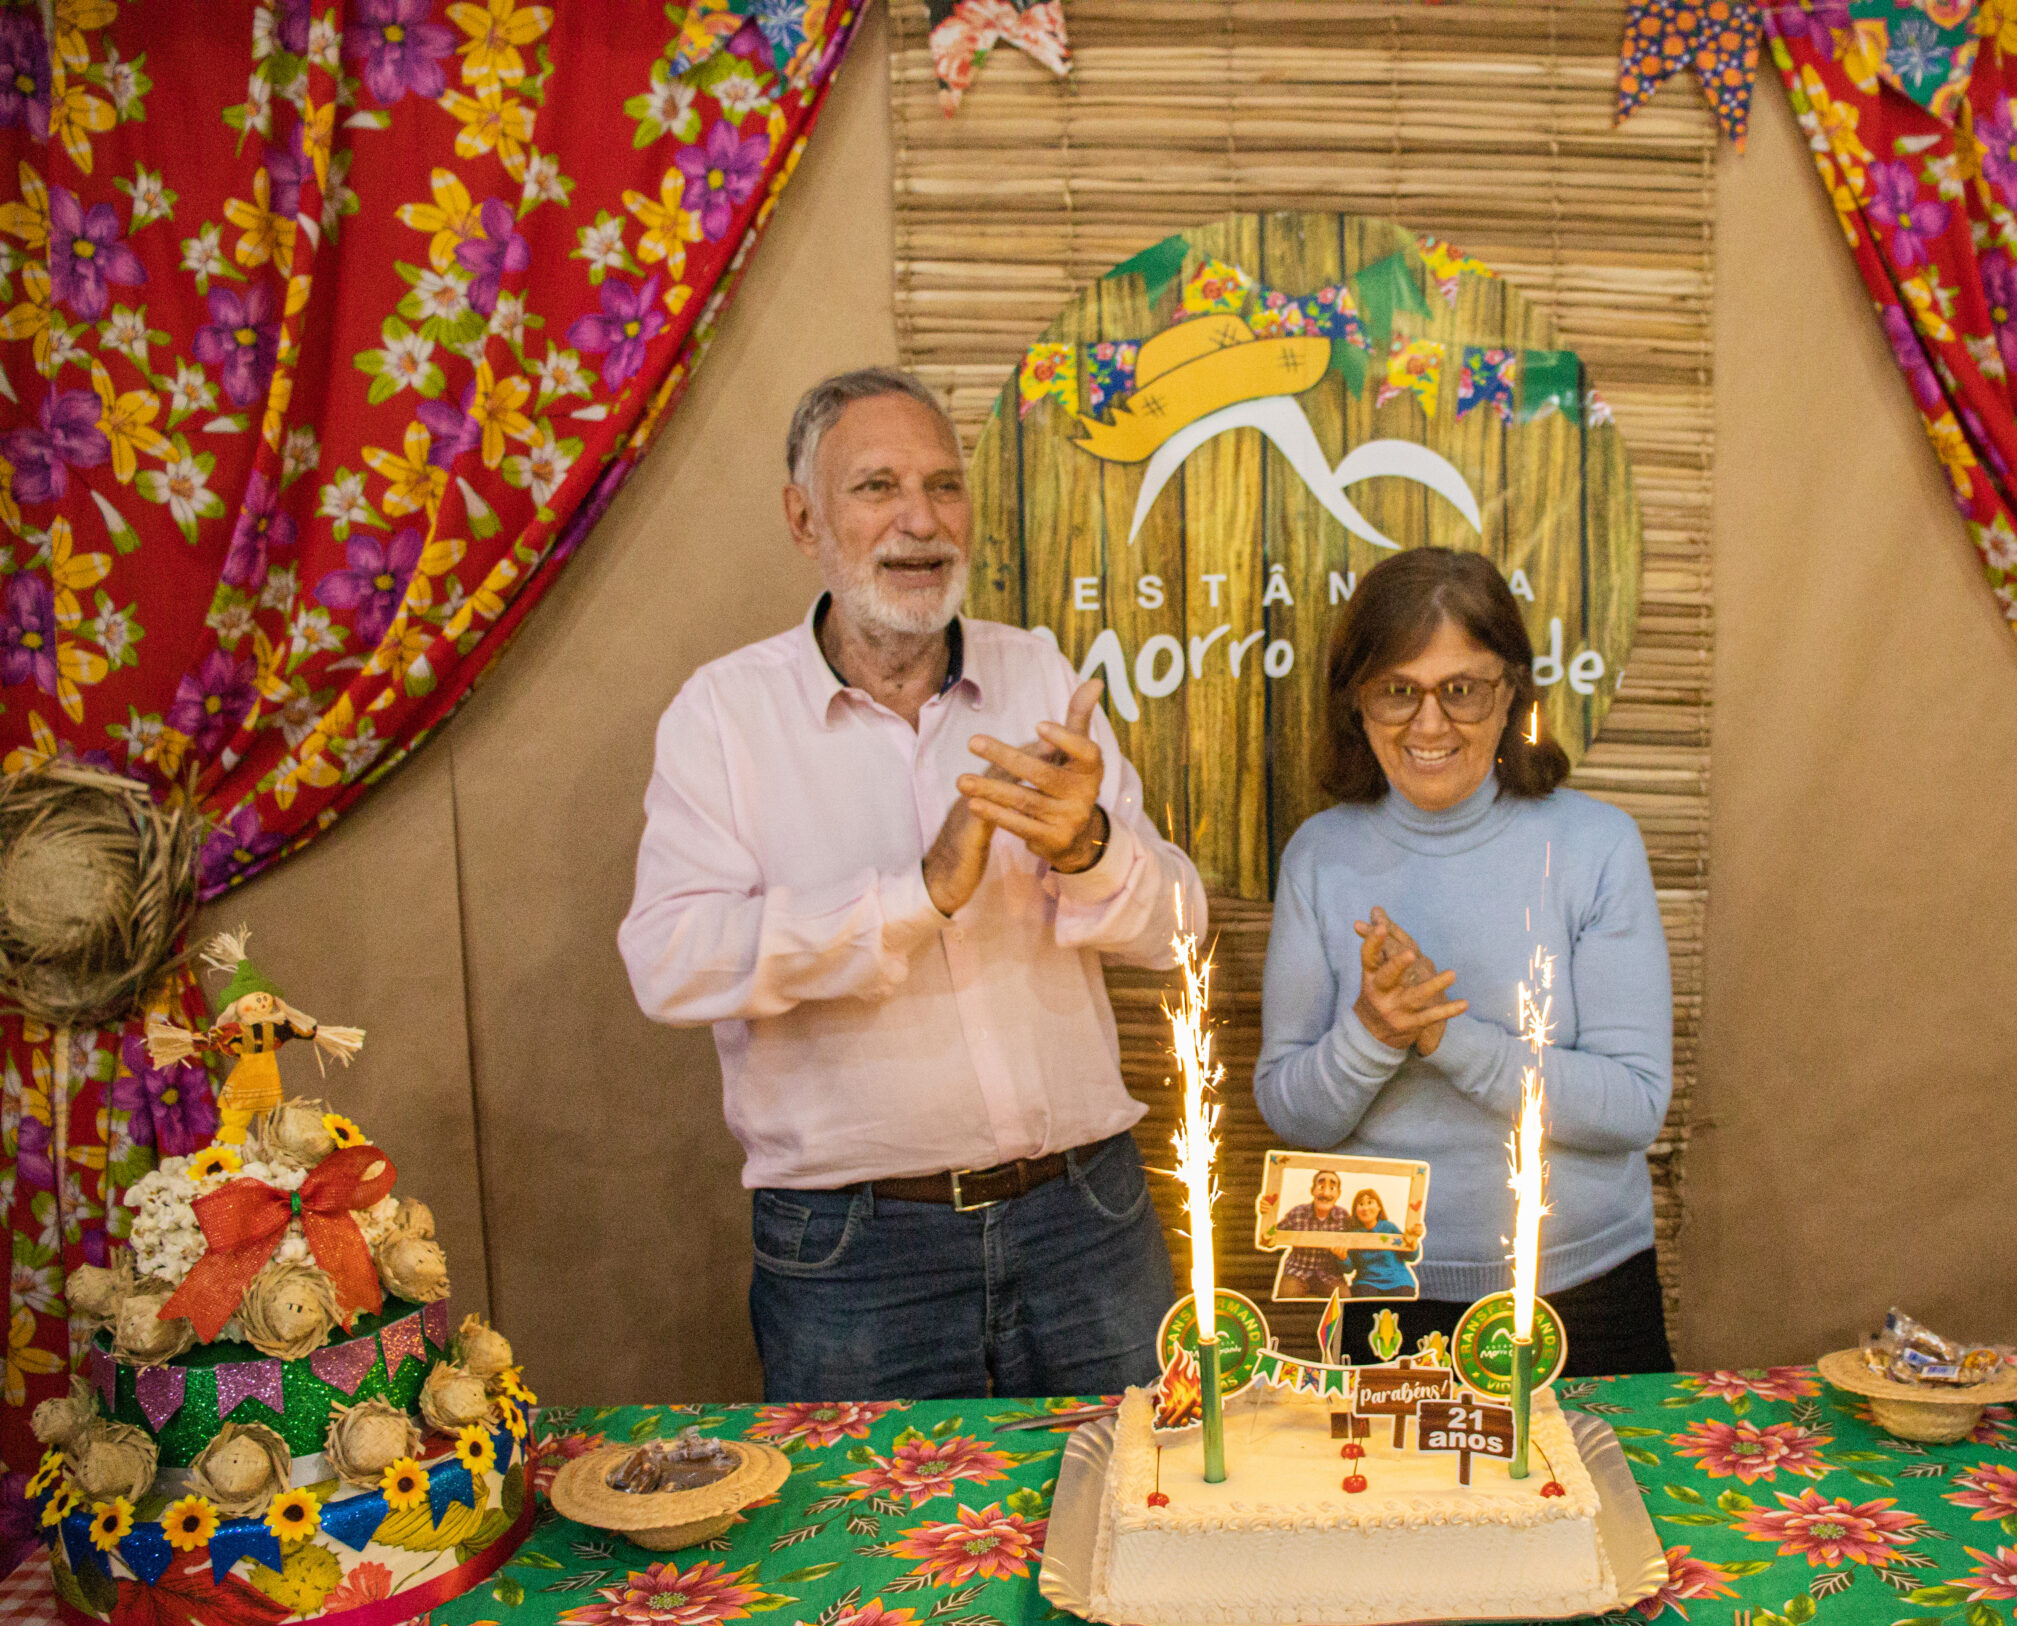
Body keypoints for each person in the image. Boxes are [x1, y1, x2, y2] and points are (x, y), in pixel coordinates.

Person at [618, 368, 1204, 1401]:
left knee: (1136, 1517)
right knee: (870, 1550)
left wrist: (1090, 847)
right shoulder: (723, 716)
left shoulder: (1040, 676)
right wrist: (916, 894)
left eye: (943, 486)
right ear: (804, 519)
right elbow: (669, 966)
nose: (920, 521)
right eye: (877, 487)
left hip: (1087, 1222)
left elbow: (1176, 932)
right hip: (856, 1254)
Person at [1254, 546, 1675, 1374]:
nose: (1430, 724)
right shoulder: (1320, 856)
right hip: (1377, 1290)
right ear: (1357, 702)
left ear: (1512, 687)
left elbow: (1634, 1106)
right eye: (1397, 691)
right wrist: (1373, 1029)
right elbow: (1291, 1110)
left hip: (1583, 1288)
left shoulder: (1596, 845)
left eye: (1462, 689)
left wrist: (1448, 1039)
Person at [1268, 1169, 1353, 1299]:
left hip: (1330, 1275)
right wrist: (1267, 1212)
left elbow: (1350, 1262)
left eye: (1332, 1187)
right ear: (1312, 1190)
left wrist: (1342, 1256)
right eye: (1321, 1186)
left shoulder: (1344, 1216)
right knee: (1286, 1296)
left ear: (1339, 1193)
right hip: (1297, 1272)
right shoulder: (1297, 1213)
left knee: (1344, 1298)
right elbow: (1270, 1238)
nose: (1325, 1193)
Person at [1346, 1187, 1419, 1299]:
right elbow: (1349, 1268)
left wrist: (1413, 1241)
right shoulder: (1353, 1235)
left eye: (1370, 1202)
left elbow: (1411, 1257)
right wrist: (1341, 1257)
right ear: (1355, 1210)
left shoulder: (1389, 1228)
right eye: (1360, 1204)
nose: (1365, 1208)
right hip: (1366, 1282)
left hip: (1398, 1281)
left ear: (1379, 1207)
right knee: (1364, 1301)